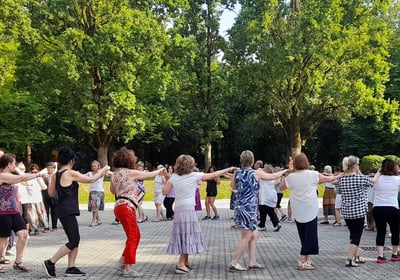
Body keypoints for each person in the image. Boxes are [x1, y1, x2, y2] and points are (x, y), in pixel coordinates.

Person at [43, 146, 110, 278]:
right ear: (71, 160)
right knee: (74, 240)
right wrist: (104, 169)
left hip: (64, 209)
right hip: (67, 210)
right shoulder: (69, 173)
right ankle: (50, 262)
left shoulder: (57, 175)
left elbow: (51, 193)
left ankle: (71, 267)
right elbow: (90, 179)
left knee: (74, 239)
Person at [162, 155, 233, 274]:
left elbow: (164, 191)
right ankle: (180, 264)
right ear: (190, 165)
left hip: (179, 209)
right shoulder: (194, 175)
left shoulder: (174, 177)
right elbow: (214, 174)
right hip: (188, 210)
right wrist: (228, 169)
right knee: (187, 235)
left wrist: (167, 177)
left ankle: (185, 262)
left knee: (183, 235)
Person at [110, 147, 165, 278]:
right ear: (128, 159)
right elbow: (149, 175)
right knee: (133, 236)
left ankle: (121, 262)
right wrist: (160, 171)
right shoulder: (130, 172)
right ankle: (128, 268)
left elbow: (113, 191)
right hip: (128, 206)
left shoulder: (115, 174)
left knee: (133, 235)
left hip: (118, 206)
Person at [229, 150, 287, 272]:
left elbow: (233, 187)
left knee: (254, 234)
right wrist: (286, 171)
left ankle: (252, 261)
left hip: (241, 206)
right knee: (247, 235)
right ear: (252, 161)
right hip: (249, 208)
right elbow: (273, 176)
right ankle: (234, 262)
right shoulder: (255, 173)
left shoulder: (237, 172)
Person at [280, 153, 336, 271]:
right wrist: (339, 175)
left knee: (303, 235)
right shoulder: (312, 174)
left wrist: (289, 173)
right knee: (310, 236)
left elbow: (281, 187)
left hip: (297, 209)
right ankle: (301, 260)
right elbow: (328, 179)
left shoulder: (291, 177)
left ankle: (307, 259)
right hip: (310, 209)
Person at [0, 153, 47, 273]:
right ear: (8, 164)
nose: (15, 166)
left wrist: (15, 168)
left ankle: (18, 262)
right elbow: (21, 178)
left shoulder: (12, 174)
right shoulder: (2, 176)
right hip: (3, 212)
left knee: (23, 234)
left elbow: (23, 177)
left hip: (15, 211)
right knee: (4, 239)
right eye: (14, 163)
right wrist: (39, 174)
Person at [336, 155, 373, 267]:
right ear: (355, 166)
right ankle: (349, 259)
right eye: (358, 164)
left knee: (352, 235)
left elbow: (339, 191)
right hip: (358, 211)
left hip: (347, 212)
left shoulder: (341, 178)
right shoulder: (360, 178)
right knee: (356, 236)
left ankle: (356, 256)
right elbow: (373, 182)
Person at [372, 159, 400, 263]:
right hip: (392, 207)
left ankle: (380, 256)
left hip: (378, 207)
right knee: (395, 231)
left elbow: (374, 187)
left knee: (380, 232)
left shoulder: (377, 179)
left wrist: (379, 173)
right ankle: (395, 254)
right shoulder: (397, 179)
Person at [24, 164, 49, 235]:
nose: (34, 174)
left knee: (40, 214)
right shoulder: (27, 179)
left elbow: (44, 187)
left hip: (38, 199)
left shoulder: (39, 178)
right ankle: (35, 229)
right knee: (32, 216)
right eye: (32, 172)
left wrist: (39, 181)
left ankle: (44, 226)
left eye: (35, 172)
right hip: (30, 200)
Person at [258, 164, 281, 232]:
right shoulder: (273, 178)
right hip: (272, 197)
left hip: (265, 197)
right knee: (271, 212)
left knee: (262, 211)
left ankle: (262, 225)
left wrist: (261, 169)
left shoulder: (262, 178)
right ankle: (277, 223)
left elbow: (258, 171)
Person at [86, 160, 105, 227]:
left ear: (98, 166)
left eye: (95, 166)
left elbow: (107, 171)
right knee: (94, 207)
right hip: (92, 191)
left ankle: (94, 221)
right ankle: (98, 220)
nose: (93, 167)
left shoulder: (101, 173)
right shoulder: (89, 173)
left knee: (94, 207)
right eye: (92, 166)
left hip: (99, 192)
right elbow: (83, 176)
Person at [42, 162, 58, 231]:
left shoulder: (56, 176)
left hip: (54, 195)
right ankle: (46, 226)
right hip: (45, 195)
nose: (49, 169)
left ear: (54, 169)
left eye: (51, 168)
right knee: (45, 212)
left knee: (54, 211)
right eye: (48, 168)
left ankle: (54, 226)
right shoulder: (44, 176)